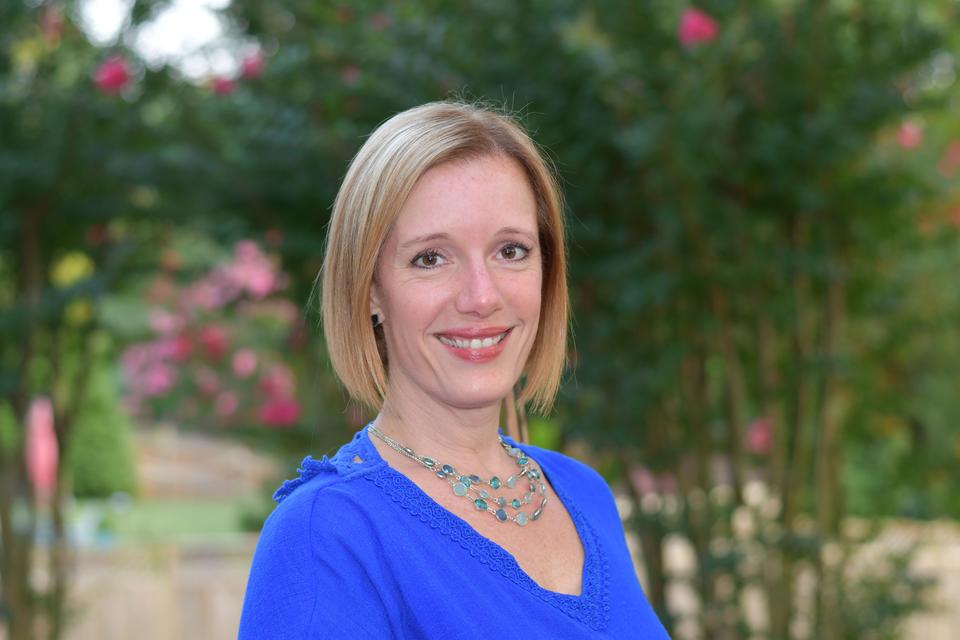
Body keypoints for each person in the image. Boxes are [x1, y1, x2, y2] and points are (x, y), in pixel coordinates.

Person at [238, 101, 670, 639]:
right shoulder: (327, 535)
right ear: (370, 289)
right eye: (430, 258)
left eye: (511, 250)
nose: (481, 297)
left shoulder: (584, 493)